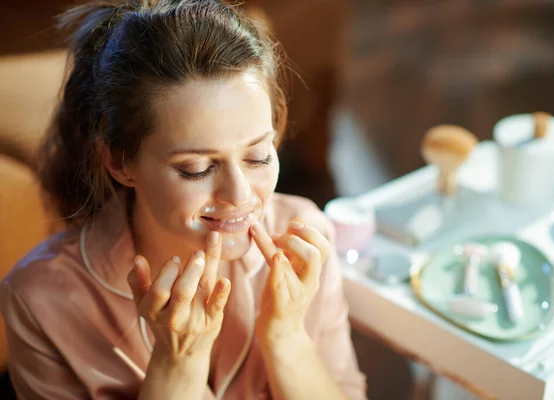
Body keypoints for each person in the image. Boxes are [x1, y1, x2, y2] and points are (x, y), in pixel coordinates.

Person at [0, 1, 366, 398]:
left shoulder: (304, 237)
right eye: (196, 168)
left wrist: (287, 336)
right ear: (121, 163)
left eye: (258, 156)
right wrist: (177, 364)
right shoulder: (40, 301)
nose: (241, 196)